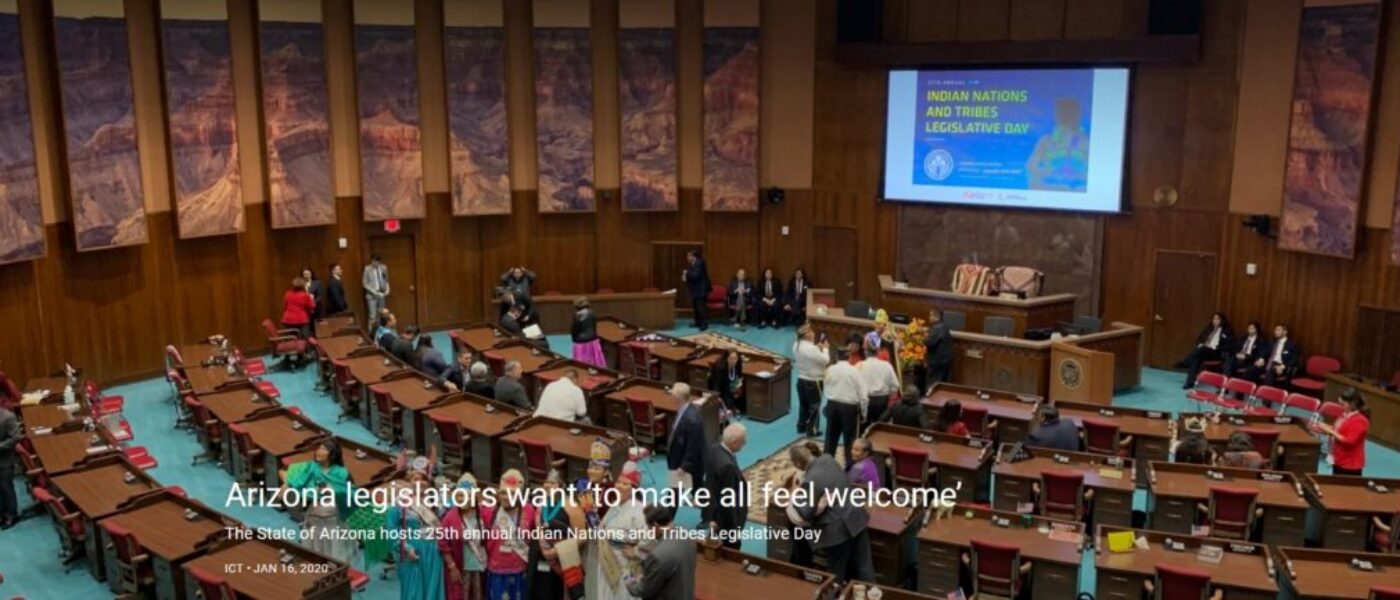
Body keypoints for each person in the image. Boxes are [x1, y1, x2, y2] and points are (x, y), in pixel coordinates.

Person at [787, 442, 874, 585]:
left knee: (836, 575)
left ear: (797, 463)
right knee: (864, 568)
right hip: (856, 518)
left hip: (836, 531)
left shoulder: (810, 480)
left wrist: (794, 495)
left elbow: (806, 514)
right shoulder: (828, 458)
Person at [280, 439, 357, 565]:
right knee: (314, 552)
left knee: (335, 554)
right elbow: (284, 471)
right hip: (314, 516)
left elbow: (352, 493)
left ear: (332, 453)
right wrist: (287, 483)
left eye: (323, 449)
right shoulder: (310, 467)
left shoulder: (342, 473)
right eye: (318, 448)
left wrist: (334, 490)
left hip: (334, 518)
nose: (318, 452)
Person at [387, 457, 446, 600]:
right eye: (415, 479)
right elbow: (390, 529)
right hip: (412, 551)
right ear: (409, 481)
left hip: (434, 551)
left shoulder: (439, 503)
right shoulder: (400, 503)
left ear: (429, 481)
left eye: (423, 479)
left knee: (433, 589)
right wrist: (405, 547)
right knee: (413, 592)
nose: (419, 483)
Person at [586, 462, 647, 600]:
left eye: (625, 484)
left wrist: (636, 551)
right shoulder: (615, 505)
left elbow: (650, 540)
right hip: (607, 559)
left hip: (624, 565)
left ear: (634, 488)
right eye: (619, 482)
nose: (619, 486)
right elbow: (601, 529)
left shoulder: (640, 511)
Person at [481, 470, 535, 600]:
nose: (506, 497)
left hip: (520, 573)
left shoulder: (529, 511)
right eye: (503, 493)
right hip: (495, 573)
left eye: (512, 493)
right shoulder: (488, 512)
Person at [625, 505, 696, 600]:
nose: (649, 532)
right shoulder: (687, 535)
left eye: (649, 528)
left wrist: (628, 578)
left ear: (655, 525)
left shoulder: (658, 555)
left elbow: (642, 590)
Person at [439, 473, 487, 600]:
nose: (464, 499)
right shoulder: (449, 517)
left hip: (479, 567)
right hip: (460, 568)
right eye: (460, 495)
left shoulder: (483, 513)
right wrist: (452, 567)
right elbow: (443, 544)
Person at [1027, 97, 1090, 192]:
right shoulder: (1046, 141)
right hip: (1049, 188)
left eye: (1066, 114)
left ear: (1076, 116)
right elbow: (1031, 167)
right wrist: (1048, 172)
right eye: (1061, 114)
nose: (1062, 118)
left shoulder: (1086, 142)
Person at [823, 338, 868, 465]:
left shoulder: (830, 369)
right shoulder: (855, 371)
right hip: (850, 409)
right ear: (849, 357)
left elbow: (826, 385)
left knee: (830, 439)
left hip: (832, 405)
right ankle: (850, 467)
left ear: (836, 356)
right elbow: (863, 395)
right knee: (850, 440)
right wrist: (864, 413)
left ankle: (827, 465)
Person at [703, 423, 748, 549]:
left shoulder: (714, 448)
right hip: (725, 521)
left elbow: (710, 484)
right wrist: (733, 532)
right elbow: (727, 502)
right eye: (742, 441)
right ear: (733, 443)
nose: (745, 443)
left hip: (714, 512)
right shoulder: (727, 466)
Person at [1316, 387, 1371, 476]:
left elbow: (1350, 441)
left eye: (1343, 404)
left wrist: (1331, 431)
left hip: (1350, 464)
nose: (1341, 407)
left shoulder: (1360, 420)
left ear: (1352, 403)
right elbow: (1338, 430)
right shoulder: (1344, 415)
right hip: (1338, 458)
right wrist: (1323, 427)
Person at [1178, 312, 1234, 389]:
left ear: (1222, 320)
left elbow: (1230, 345)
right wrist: (1200, 343)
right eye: (1214, 319)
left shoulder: (1227, 330)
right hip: (1204, 351)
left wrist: (1217, 347)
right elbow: (1199, 338)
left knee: (1201, 350)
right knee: (1196, 358)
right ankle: (1190, 383)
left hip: (1216, 352)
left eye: (1217, 319)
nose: (1215, 321)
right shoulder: (1209, 328)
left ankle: (1186, 362)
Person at [666, 383, 706, 489]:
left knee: (698, 492)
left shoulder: (692, 420)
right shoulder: (683, 410)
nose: (671, 397)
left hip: (689, 466)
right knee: (676, 492)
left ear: (677, 398)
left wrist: (684, 466)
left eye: (672, 395)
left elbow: (694, 446)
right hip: (679, 459)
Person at [794, 325, 830, 437]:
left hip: (801, 379)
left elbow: (810, 355)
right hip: (814, 381)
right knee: (815, 406)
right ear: (807, 334)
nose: (814, 333)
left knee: (803, 404)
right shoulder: (811, 348)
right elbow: (825, 360)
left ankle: (801, 425)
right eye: (812, 331)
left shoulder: (796, 344)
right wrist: (825, 349)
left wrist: (817, 348)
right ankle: (812, 430)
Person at [857, 346, 899, 426]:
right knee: (880, 427)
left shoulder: (860, 365)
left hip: (865, 399)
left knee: (864, 426)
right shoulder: (887, 365)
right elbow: (895, 385)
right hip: (882, 400)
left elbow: (854, 384)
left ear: (865, 353)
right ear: (877, 353)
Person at [922, 309, 953, 394]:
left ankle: (930, 401)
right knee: (941, 386)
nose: (929, 317)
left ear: (935, 317)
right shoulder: (943, 326)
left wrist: (924, 337)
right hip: (943, 361)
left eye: (930, 315)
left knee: (932, 385)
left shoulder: (937, 328)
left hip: (937, 362)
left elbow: (930, 342)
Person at [707, 350, 746, 415]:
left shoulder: (738, 364)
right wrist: (717, 396)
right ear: (726, 358)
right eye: (731, 359)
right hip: (722, 390)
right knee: (727, 404)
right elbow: (717, 384)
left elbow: (739, 376)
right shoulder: (721, 368)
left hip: (732, 387)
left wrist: (738, 386)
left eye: (735, 358)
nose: (733, 361)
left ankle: (733, 406)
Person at [571, 297, 606, 368]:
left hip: (581, 342)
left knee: (582, 366)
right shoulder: (592, 313)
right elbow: (594, 326)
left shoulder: (577, 315)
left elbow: (574, 330)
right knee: (596, 363)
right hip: (593, 341)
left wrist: (574, 340)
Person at [0, 404, 19, 529]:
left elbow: (15, 437)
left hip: (4, 461)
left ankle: (11, 515)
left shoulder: (7, 417)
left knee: (6, 488)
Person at [683, 250, 711, 330]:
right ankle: (698, 322)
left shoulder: (699, 263)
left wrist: (686, 273)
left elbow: (696, 275)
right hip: (695, 289)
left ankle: (704, 324)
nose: (687, 258)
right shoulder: (693, 263)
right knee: (695, 306)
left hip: (701, 289)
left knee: (701, 307)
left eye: (688, 256)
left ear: (693, 256)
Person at [363, 254, 390, 321]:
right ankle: (372, 331)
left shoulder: (383, 268)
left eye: (377, 261)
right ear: (371, 261)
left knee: (382, 314)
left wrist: (388, 288)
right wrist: (374, 292)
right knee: (373, 316)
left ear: (379, 261)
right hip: (372, 296)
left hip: (381, 294)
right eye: (374, 261)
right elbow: (365, 283)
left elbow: (386, 279)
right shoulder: (367, 269)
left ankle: (381, 331)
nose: (375, 263)